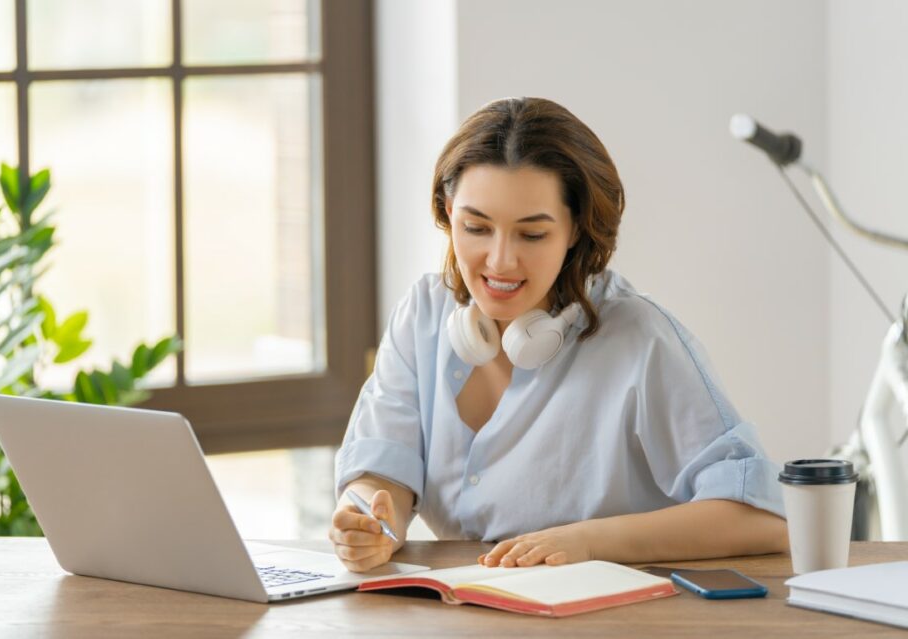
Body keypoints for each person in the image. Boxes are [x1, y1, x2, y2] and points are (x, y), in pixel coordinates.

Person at [329, 97, 788, 572]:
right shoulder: (423, 315)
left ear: (574, 229)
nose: (500, 260)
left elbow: (761, 518)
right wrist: (367, 521)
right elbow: (384, 469)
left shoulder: (640, 339)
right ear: (449, 212)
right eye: (476, 227)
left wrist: (588, 542)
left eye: (531, 235)